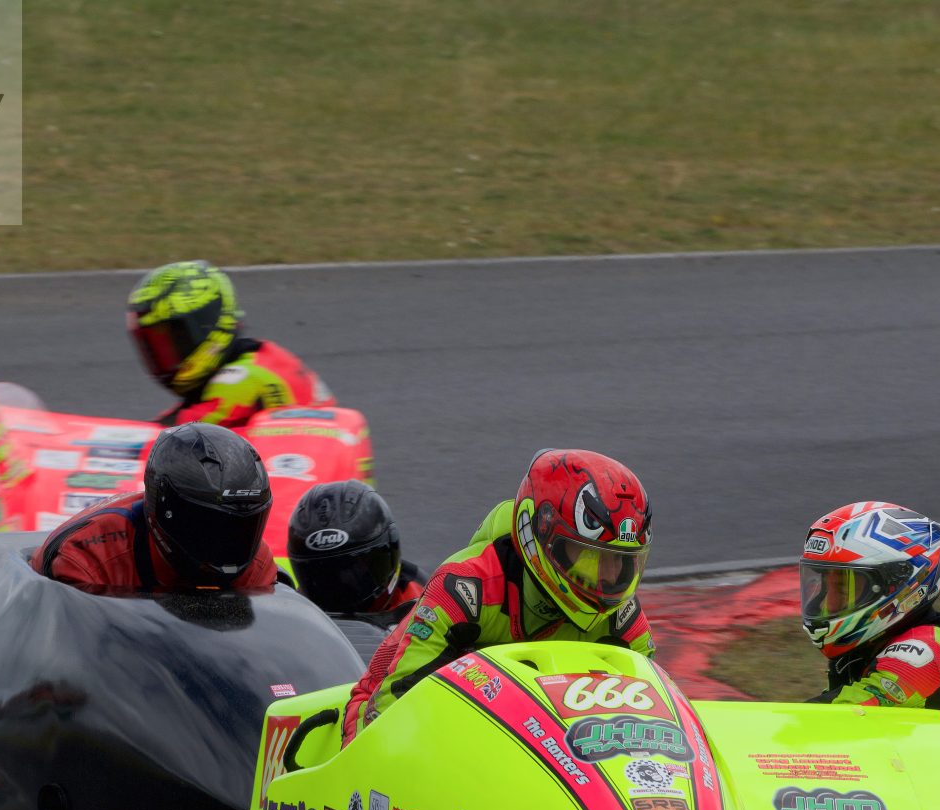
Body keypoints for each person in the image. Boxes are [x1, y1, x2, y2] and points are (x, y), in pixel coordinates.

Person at [343, 448, 654, 741]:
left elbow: (657, 718)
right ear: (539, 534)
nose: (609, 579)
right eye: (591, 559)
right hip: (387, 722)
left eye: (621, 563)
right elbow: (389, 712)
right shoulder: (465, 590)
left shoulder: (622, 620)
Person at [800, 501, 940, 782]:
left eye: (844, 588)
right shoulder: (909, 640)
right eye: (824, 585)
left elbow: (832, 718)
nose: (827, 603)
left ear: (899, 583)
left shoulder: (921, 652)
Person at [32, 424, 276, 592]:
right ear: (164, 511)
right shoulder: (89, 561)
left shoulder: (258, 564)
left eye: (242, 528)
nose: (229, 544)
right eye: (209, 528)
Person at [126, 260, 333, 428]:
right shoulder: (263, 356)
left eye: (171, 341)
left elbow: (162, 439)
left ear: (208, 324)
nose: (162, 354)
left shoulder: (241, 379)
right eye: (153, 346)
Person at [282, 480, 425, 623]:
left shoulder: (424, 604)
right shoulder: (292, 611)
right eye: (322, 576)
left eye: (352, 571)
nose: (338, 590)